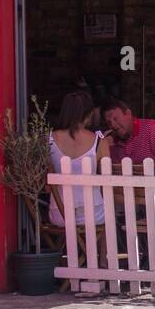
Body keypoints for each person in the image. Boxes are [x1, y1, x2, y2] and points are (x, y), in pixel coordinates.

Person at [48, 90, 111, 228]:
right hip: (94, 212)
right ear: (88, 115)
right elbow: (107, 180)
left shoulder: (49, 140)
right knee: (109, 215)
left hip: (59, 212)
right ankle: (103, 250)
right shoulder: (99, 142)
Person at [101, 98, 155, 168]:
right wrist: (103, 147)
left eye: (115, 119)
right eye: (109, 122)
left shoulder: (151, 128)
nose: (113, 125)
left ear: (128, 113)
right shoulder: (110, 141)